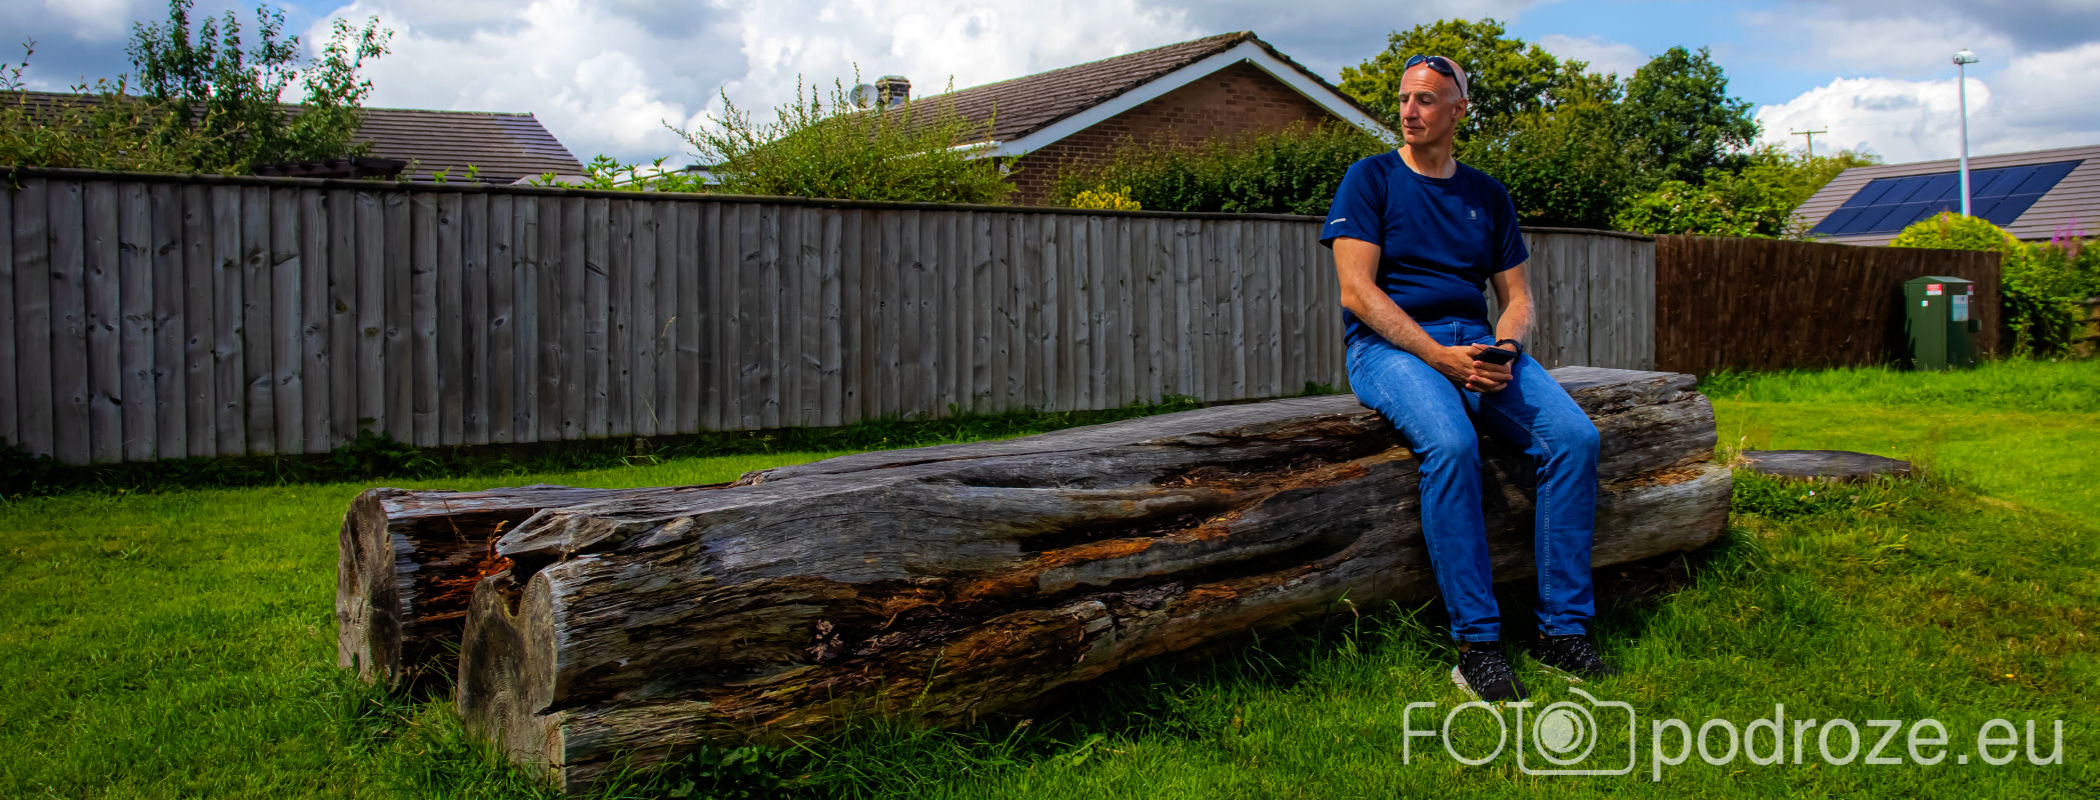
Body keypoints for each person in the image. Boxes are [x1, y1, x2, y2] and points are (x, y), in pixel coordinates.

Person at [1319, 54, 1616, 703]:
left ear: (1458, 110)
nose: (1409, 110)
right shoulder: (1370, 179)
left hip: (1476, 343)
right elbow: (1357, 292)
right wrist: (1436, 355)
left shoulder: (1487, 195)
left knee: (1575, 440)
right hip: (1389, 349)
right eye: (1404, 98)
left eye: (1426, 99)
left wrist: (1505, 347)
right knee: (1452, 445)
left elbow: (1518, 297)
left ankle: (1562, 631)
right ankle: (1477, 646)